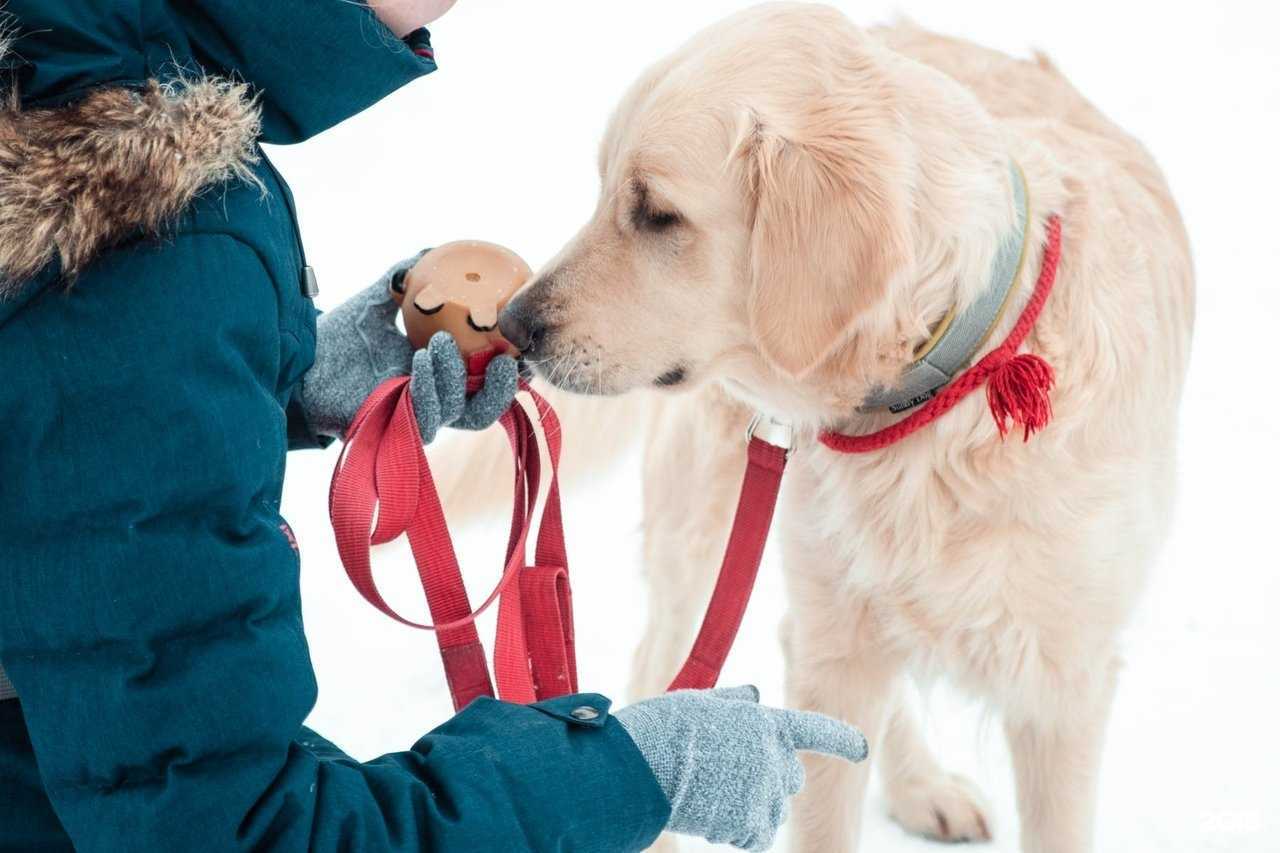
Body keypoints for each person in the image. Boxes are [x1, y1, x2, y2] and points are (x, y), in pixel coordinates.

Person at [0, 2, 867, 851]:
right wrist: (628, 774)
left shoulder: (75, 77)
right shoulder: (158, 230)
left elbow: (62, 407)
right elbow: (232, 828)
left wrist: (272, 390)